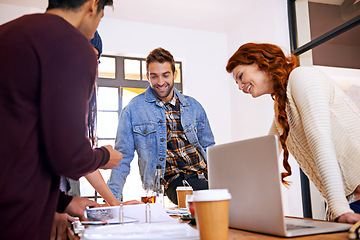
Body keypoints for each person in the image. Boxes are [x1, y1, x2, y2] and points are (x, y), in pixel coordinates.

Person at [0, 0, 122, 239]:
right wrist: (105, 156)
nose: (97, 23)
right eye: (101, 16)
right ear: (92, 4)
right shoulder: (74, 46)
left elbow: (16, 144)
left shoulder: (8, 33)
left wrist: (63, 201)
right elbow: (68, 157)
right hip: (16, 217)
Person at [225, 42, 360, 224]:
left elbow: (318, 135)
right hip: (347, 201)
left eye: (240, 76)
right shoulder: (282, 104)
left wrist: (339, 207)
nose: (240, 86)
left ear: (260, 62)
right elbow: (266, 156)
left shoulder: (302, 76)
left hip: (348, 201)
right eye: (237, 83)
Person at [108, 47, 215, 205]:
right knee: (206, 203)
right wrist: (112, 202)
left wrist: (222, 179)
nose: (160, 82)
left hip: (204, 177)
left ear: (174, 74)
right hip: (175, 182)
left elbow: (209, 148)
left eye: (165, 75)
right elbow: (122, 158)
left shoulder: (193, 106)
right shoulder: (133, 109)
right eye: (154, 76)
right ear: (147, 76)